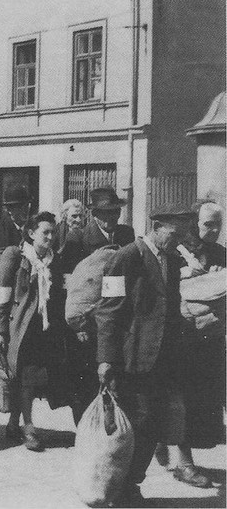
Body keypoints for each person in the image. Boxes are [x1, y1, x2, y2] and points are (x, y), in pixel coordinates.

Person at [96, 204, 195, 505]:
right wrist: (105, 358)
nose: (179, 241)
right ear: (158, 227)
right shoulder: (126, 257)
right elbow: (108, 310)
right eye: (175, 235)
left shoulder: (172, 259)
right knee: (134, 424)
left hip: (162, 359)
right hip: (132, 357)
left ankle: (131, 484)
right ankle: (118, 488)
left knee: (153, 423)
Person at [153, 201, 225, 489]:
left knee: (202, 399)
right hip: (181, 336)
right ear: (195, 223)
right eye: (209, 224)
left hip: (210, 336)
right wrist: (188, 275)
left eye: (219, 224)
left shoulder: (220, 252)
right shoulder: (178, 249)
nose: (215, 229)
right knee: (183, 397)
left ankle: (164, 440)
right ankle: (184, 464)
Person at [0, 211, 67, 452]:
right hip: (17, 328)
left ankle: (15, 423)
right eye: (46, 232)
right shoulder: (16, 256)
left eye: (53, 232)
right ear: (31, 233)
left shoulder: (55, 260)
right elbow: (2, 297)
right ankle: (29, 427)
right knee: (24, 378)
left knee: (27, 379)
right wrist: (0, 331)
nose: (50, 237)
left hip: (42, 329)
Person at [78, 186, 135, 259]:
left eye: (113, 212)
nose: (109, 217)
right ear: (94, 214)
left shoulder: (127, 233)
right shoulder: (80, 238)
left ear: (119, 213)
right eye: (103, 213)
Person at [53, 198, 85, 263]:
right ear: (65, 216)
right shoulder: (55, 232)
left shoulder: (86, 232)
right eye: (74, 216)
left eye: (80, 216)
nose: (78, 220)